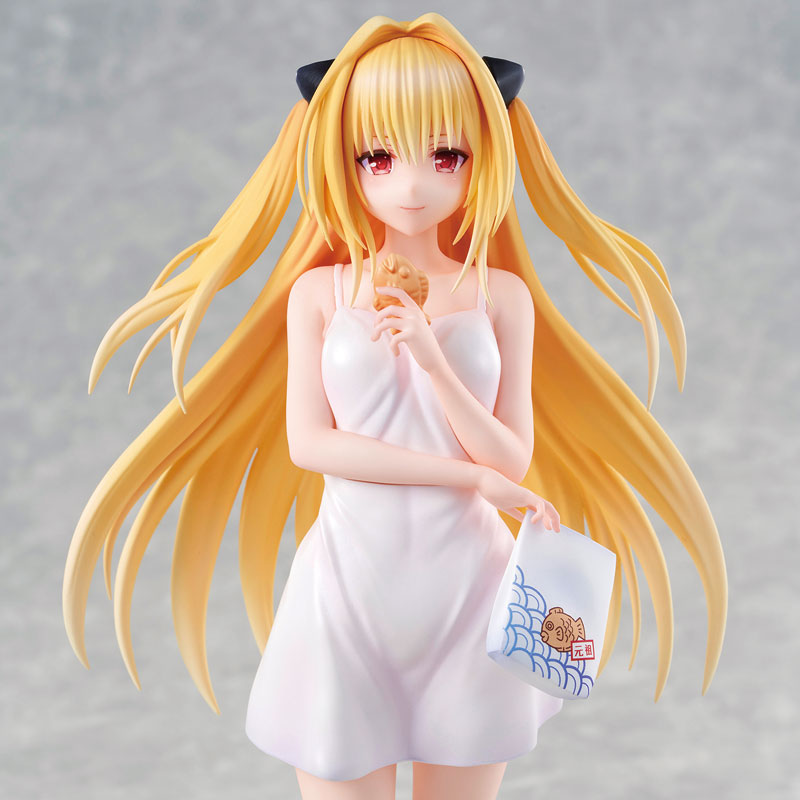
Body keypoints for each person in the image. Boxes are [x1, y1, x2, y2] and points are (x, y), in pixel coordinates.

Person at [62, 12, 728, 800]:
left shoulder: (500, 296)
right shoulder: (320, 293)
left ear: (483, 158)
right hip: (349, 587)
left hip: (470, 591)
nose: (411, 186)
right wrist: (467, 478)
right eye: (377, 157)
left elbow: (509, 457)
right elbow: (312, 444)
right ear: (342, 162)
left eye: (446, 155)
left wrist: (432, 357)